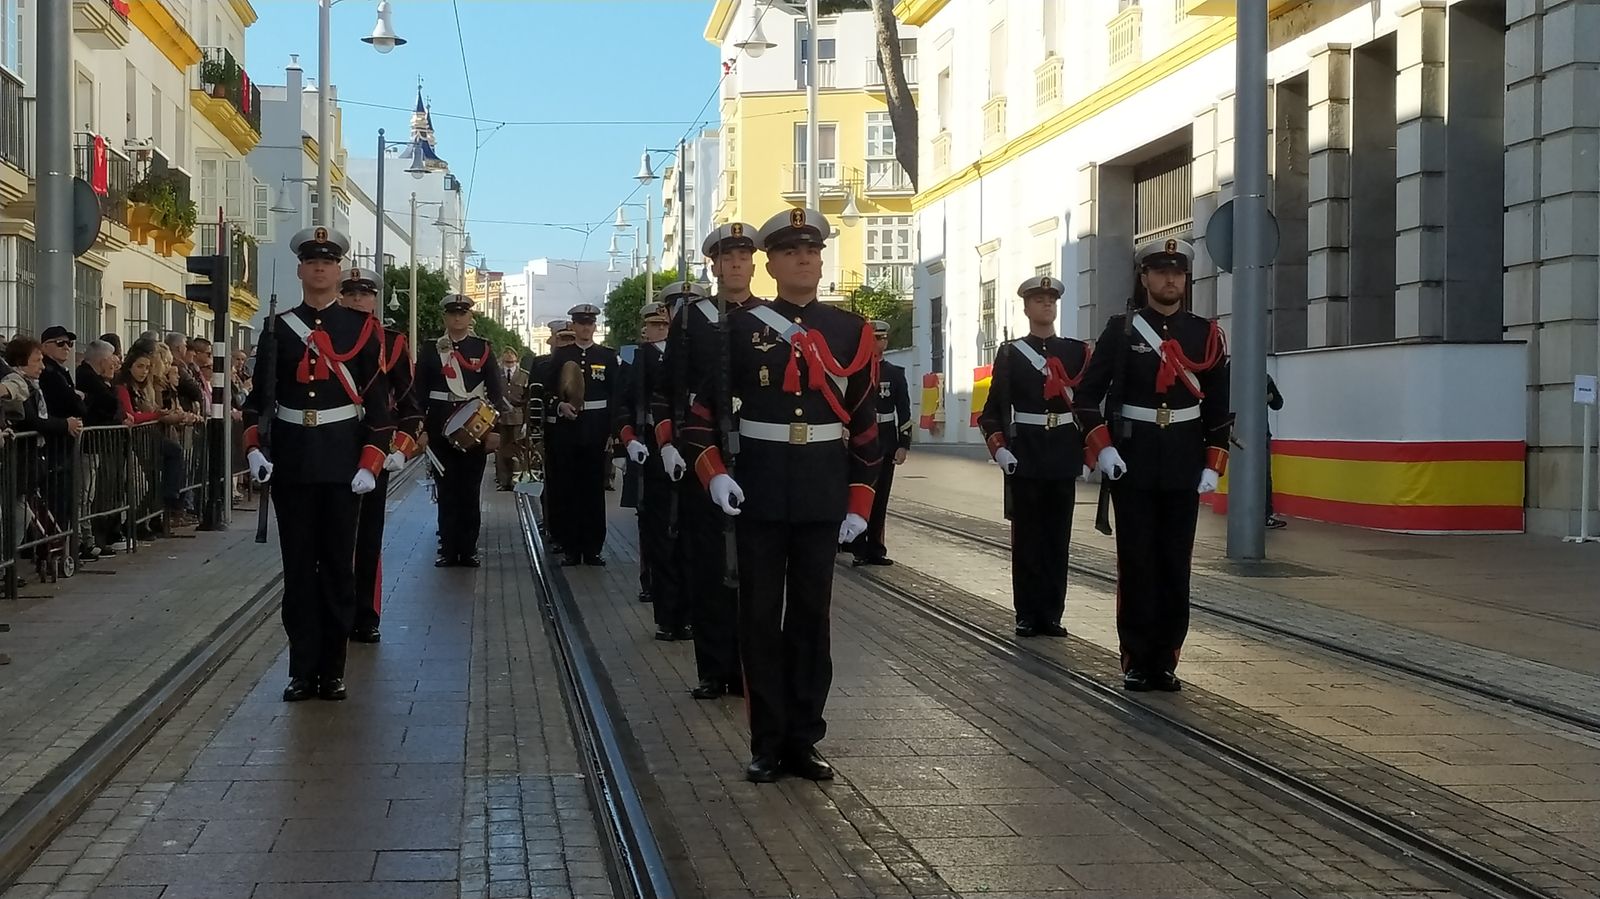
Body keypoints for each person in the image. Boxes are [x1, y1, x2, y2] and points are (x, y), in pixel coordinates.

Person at [680, 208, 882, 783]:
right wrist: (715, 473)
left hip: (822, 491)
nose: (803, 260)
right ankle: (767, 741)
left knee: (812, 621)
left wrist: (861, 501)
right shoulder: (737, 330)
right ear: (770, 264)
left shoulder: (850, 330)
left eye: (812, 252)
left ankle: (804, 738)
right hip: (761, 490)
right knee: (760, 617)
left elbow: (866, 426)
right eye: (791, 252)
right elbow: (701, 417)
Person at [1073, 238, 1232, 693]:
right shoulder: (1121, 330)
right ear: (1144, 278)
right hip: (1134, 458)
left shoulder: (1206, 335)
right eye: (1160, 271)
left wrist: (1213, 462)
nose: (1169, 280)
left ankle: (1167, 658)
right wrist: (1103, 448)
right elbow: (1086, 396)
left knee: (1174, 563)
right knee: (1137, 561)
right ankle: (1137, 658)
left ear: (1185, 278)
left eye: (1177, 272)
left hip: (1183, 460)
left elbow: (1220, 406)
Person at [242, 227, 393, 703]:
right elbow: (258, 403)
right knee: (298, 572)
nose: (321, 269)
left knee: (337, 573)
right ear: (301, 270)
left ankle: (333, 670)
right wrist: (254, 450)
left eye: (328, 262)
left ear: (339, 270)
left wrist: (371, 461)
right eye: (312, 262)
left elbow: (380, 406)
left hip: (343, 462)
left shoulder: (362, 329)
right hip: (294, 462)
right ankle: (302, 670)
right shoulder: (277, 328)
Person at [657, 222, 762, 701]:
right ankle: (713, 667)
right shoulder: (693, 318)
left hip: (759, 448)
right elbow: (669, 391)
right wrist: (669, 443)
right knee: (708, 562)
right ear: (714, 266)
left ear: (753, 263)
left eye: (743, 256)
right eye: (726, 257)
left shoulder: (770, 316)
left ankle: (749, 666)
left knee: (756, 565)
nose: (735, 264)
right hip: (703, 447)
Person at [976, 276, 1092, 637]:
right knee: (1027, 540)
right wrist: (1000, 450)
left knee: (1058, 540)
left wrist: (1090, 451)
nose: (1046, 305)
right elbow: (992, 410)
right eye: (1039, 300)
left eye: (1051, 300)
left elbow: (1087, 407)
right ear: (1026, 307)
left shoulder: (1075, 352)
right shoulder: (1011, 353)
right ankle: (1027, 612)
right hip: (1026, 452)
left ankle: (1052, 613)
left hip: (1062, 452)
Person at [338, 267, 423, 642]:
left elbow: (410, 405)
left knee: (369, 535)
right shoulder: (321, 335)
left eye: (365, 293)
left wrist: (402, 448)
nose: (358, 300)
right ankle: (334, 611)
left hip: (374, 447)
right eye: (351, 293)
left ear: (374, 299)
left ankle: (365, 614)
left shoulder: (393, 343)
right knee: (330, 536)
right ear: (341, 297)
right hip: (330, 446)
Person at [618, 295, 691, 640]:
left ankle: (688, 613)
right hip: (652, 450)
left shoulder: (691, 355)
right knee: (658, 533)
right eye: (655, 325)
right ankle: (667, 612)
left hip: (690, 449)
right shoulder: (640, 360)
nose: (661, 330)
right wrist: (630, 440)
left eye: (666, 324)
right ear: (645, 329)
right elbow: (625, 406)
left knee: (690, 538)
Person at [416, 294, 505, 567]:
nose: (457, 318)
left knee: (469, 490)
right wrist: (419, 427)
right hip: (439, 426)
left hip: (474, 427)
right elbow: (418, 392)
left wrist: (494, 430)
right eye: (452, 313)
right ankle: (447, 547)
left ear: (470, 317)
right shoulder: (431, 350)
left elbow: (496, 393)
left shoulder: (483, 348)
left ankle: (468, 548)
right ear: (445, 317)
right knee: (446, 490)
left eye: (462, 313)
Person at [543, 302, 617, 566]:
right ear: (573, 326)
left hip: (596, 429)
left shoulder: (607, 356)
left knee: (594, 490)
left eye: (590, 323)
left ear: (595, 326)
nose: (586, 328)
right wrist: (559, 405)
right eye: (581, 323)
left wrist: (612, 432)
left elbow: (615, 395)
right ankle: (572, 547)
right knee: (569, 489)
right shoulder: (562, 356)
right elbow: (548, 390)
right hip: (569, 430)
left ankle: (593, 547)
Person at [847, 319, 912, 567]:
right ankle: (857, 546)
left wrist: (903, 444)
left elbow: (903, 411)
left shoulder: (895, 373)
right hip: (860, 441)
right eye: (875, 338)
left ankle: (875, 548)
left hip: (885, 441)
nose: (879, 343)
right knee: (859, 492)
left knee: (881, 497)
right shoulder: (856, 371)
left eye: (883, 338)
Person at [494, 349, 524, 491]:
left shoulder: (524, 376)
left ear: (516, 361)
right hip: (501, 417)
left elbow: (527, 399)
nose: (509, 365)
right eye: (506, 362)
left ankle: (517, 479)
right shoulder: (496, 375)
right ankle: (504, 481)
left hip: (518, 416)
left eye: (511, 362)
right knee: (502, 450)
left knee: (518, 449)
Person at [1266, 374, 1286, 529]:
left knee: (1265, 476)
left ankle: (1266, 515)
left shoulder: (1265, 379)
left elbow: (1278, 403)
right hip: (1238, 433)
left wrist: (1269, 397)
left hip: (1261, 435)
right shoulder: (1229, 373)